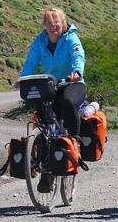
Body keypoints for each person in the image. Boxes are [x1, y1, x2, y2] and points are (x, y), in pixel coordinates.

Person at [20, 7, 86, 137]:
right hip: (50, 84)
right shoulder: (40, 41)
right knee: (41, 107)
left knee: (68, 101)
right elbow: (31, 61)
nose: (53, 26)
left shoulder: (71, 38)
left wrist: (77, 72)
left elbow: (78, 56)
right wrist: (23, 79)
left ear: (62, 22)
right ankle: (41, 144)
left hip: (71, 83)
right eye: (49, 23)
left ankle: (74, 140)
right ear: (44, 26)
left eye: (56, 22)